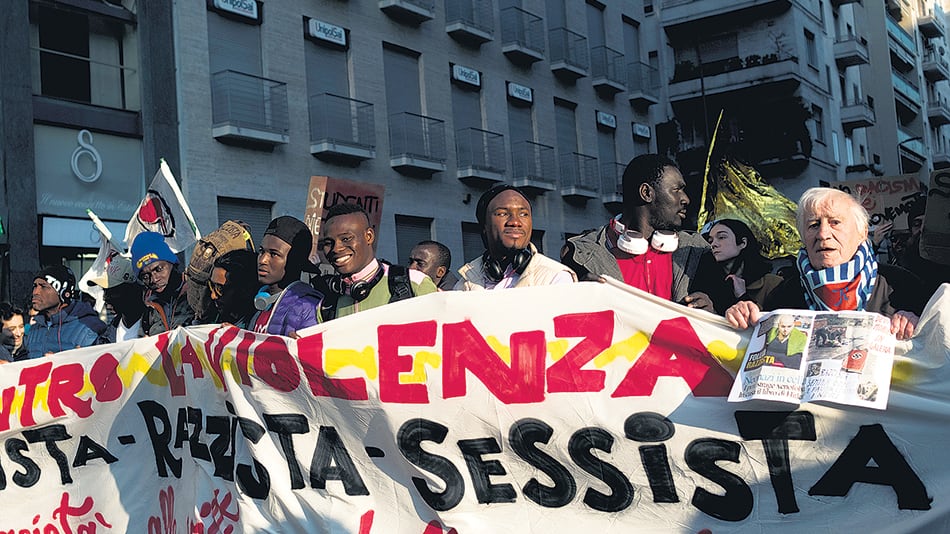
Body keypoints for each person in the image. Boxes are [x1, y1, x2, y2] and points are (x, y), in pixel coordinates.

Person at [726, 187, 923, 340]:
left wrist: (919, 323)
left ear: (862, 232)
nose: (823, 234)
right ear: (803, 237)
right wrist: (741, 316)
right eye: (813, 225)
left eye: (835, 222)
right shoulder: (784, 295)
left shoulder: (902, 285)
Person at [561, 154, 712, 311]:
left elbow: (731, 313)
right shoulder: (578, 255)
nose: (685, 199)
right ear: (646, 193)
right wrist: (579, 298)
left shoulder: (698, 251)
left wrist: (715, 311)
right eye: (676, 190)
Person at [317, 203, 436, 318]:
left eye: (346, 239)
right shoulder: (326, 306)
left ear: (369, 236)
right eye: (328, 243)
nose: (336, 249)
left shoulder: (414, 283)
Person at [456, 183, 576, 290]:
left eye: (523, 214)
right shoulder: (465, 283)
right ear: (484, 227)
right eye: (502, 213)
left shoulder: (555, 277)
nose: (515, 222)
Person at [691, 219, 783, 315]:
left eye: (721, 237)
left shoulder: (772, 284)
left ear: (743, 243)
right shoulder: (706, 282)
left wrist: (742, 295)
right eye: (711, 240)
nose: (714, 244)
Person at [252, 216, 324, 337]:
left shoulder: (306, 307)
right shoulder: (261, 301)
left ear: (294, 261)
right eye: (261, 251)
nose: (263, 260)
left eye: (274, 254)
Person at [25, 265, 108, 359]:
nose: (36, 292)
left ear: (64, 293)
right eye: (35, 286)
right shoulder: (35, 328)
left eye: (43, 286)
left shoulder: (92, 327)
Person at [131, 231, 193, 336]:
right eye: (146, 276)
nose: (154, 279)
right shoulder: (149, 309)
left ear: (171, 263)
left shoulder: (197, 293)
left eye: (159, 269)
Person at [87, 254, 145, 343]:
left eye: (112, 291)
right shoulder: (106, 336)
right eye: (104, 290)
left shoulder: (156, 329)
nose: (105, 298)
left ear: (132, 290)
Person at [210, 249, 259, 329]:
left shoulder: (258, 326)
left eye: (220, 289)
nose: (213, 295)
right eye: (211, 285)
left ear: (244, 289)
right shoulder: (215, 315)